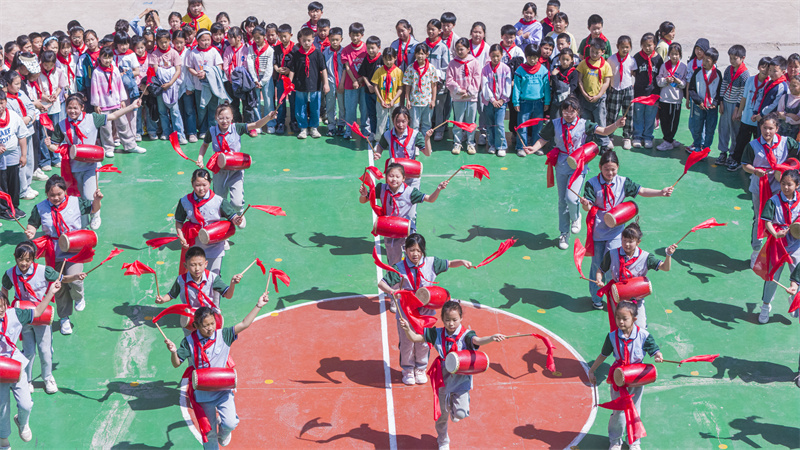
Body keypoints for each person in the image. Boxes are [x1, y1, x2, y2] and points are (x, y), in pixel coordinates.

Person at [164, 293, 269, 449]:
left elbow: (244, 324)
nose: (210, 328)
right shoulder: (189, 342)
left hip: (223, 389)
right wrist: (173, 351)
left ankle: (224, 433)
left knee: (230, 423)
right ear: (197, 325)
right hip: (203, 392)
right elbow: (176, 363)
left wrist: (259, 305)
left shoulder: (224, 335)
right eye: (206, 325)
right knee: (209, 432)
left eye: (212, 323)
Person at [398, 300, 505, 450]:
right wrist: (407, 329)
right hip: (443, 380)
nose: (451, 323)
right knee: (442, 416)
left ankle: (456, 411)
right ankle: (443, 440)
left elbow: (478, 340)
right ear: (443, 319)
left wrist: (492, 338)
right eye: (447, 320)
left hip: (461, 381)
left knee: (460, 414)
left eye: (455, 320)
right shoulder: (437, 333)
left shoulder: (467, 335)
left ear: (461, 318)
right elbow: (415, 338)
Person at [524, 95, 626, 249]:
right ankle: (564, 233)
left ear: (578, 111)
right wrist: (534, 148)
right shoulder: (555, 123)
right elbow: (543, 139)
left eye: (572, 111)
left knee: (571, 198)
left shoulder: (585, 124)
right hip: (562, 163)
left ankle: (576, 216)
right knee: (562, 201)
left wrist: (617, 124)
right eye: (565, 111)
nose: (568, 114)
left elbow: (604, 131)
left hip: (578, 164)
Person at [581, 151, 673, 309]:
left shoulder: (623, 182)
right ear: (600, 167)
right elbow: (587, 205)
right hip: (598, 230)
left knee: (613, 264)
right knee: (597, 265)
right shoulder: (592, 183)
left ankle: (614, 295)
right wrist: (585, 204)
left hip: (617, 230)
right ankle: (596, 297)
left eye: (613, 169)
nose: (610, 173)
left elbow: (642, 191)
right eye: (606, 169)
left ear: (618, 168)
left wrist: (661, 192)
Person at [378, 233, 473, 382]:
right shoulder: (399, 267)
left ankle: (421, 368)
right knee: (407, 342)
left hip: (426, 313)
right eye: (411, 250)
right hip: (407, 312)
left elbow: (449, 263)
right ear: (405, 250)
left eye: (418, 250)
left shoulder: (432, 263)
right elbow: (382, 283)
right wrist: (392, 291)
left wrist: (461, 261)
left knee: (424, 341)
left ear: (423, 250)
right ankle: (408, 370)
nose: (415, 254)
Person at [45, 93, 142, 230]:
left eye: (75, 108)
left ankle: (96, 214)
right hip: (73, 168)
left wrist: (132, 106)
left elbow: (113, 116)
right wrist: (49, 145)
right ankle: (83, 225)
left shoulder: (92, 118)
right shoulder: (61, 125)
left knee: (89, 195)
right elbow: (56, 146)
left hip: (91, 165)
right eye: (69, 108)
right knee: (78, 198)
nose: (72, 111)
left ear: (82, 108)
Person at [0, 241, 81, 393]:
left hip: (41, 314)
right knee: (28, 350)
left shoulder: (44, 271)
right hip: (23, 316)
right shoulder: (10, 273)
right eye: (20, 259)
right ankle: (28, 379)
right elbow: (5, 288)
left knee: (45, 350)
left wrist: (75, 276)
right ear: (15, 257)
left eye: (27, 260)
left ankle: (48, 377)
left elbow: (62, 279)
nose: (23, 263)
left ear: (34, 258)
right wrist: (7, 307)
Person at [24, 175, 97, 335]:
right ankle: (64, 318)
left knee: (75, 277)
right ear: (46, 194)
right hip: (54, 250)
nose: (56, 198)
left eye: (59, 194)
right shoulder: (40, 207)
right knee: (58, 285)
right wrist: (31, 231)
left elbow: (93, 208)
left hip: (74, 248)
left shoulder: (75, 202)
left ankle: (79, 296)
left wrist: (97, 200)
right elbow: (33, 223)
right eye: (52, 195)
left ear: (65, 191)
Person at [587, 301, 664, 450]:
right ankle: (615, 441)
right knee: (619, 411)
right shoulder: (612, 337)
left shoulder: (644, 335)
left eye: (624, 318)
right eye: (618, 318)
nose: (620, 322)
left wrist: (658, 355)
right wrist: (592, 370)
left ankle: (634, 442)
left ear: (634, 319)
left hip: (636, 378)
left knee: (635, 409)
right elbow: (603, 355)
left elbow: (654, 350)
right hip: (618, 378)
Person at [0, 278, 59, 448]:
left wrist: (50, 293)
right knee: (2, 408)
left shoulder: (15, 314)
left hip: (14, 364)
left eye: (3, 306)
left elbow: (38, 311)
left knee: (26, 404)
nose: (1, 310)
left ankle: (22, 421)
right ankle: (3, 441)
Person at [358, 163, 447, 265]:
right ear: (386, 177)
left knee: (413, 258)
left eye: (397, 176)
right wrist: (364, 194)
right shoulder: (381, 188)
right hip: (389, 229)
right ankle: (394, 280)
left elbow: (430, 199)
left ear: (403, 178)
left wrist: (438, 189)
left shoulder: (410, 192)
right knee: (393, 262)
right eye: (391, 176)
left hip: (405, 229)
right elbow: (363, 200)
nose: (394, 179)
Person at [197, 103, 276, 214]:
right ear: (216, 118)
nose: (224, 121)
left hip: (235, 171)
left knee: (237, 203)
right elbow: (205, 145)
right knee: (219, 201)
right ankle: (224, 220)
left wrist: (268, 117)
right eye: (221, 118)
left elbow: (256, 125)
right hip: (219, 171)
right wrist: (200, 158)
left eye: (227, 118)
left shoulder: (237, 128)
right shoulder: (212, 131)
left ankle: (238, 213)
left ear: (232, 117)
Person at [742, 113, 800, 264]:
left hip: (782, 186)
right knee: (760, 217)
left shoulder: (787, 142)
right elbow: (745, 165)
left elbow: (797, 154)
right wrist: (754, 170)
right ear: (760, 127)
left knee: (782, 218)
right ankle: (756, 250)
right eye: (764, 128)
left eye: (771, 128)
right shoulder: (753, 145)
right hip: (759, 186)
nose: (767, 132)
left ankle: (781, 249)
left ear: (777, 128)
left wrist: (789, 166)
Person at [595, 223, 675, 327]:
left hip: (636, 299)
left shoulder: (646, 257)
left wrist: (668, 255)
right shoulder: (612, 254)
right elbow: (600, 270)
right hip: (618, 297)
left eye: (630, 241)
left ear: (638, 242)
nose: (627, 244)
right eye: (624, 240)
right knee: (621, 328)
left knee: (640, 328)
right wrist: (599, 280)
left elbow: (665, 268)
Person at [174, 169, 244, 275]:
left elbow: (232, 216)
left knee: (213, 277)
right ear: (192, 183)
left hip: (214, 245)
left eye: (204, 185)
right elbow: (179, 221)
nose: (201, 188)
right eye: (198, 185)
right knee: (196, 276)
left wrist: (237, 220)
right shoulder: (184, 201)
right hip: (194, 245)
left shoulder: (219, 201)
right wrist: (182, 237)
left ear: (210, 183)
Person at [157, 246, 242, 330]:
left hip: (209, 316)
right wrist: (163, 299)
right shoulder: (181, 280)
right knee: (191, 341)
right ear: (185, 265)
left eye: (200, 264)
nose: (197, 269)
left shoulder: (213, 278)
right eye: (193, 265)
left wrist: (232, 284)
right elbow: (171, 294)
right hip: (190, 317)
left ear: (206, 264)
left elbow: (228, 295)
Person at [757, 169, 800, 323]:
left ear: (797, 185)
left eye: (789, 184)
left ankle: (795, 300)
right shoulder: (773, 201)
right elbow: (767, 221)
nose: (785, 187)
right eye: (783, 184)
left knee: (798, 274)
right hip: (778, 244)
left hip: (796, 244)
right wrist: (775, 234)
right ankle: (765, 305)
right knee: (772, 276)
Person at [91, 47, 145, 158]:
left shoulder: (115, 69)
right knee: (106, 128)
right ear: (100, 58)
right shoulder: (96, 72)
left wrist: (122, 99)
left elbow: (120, 85)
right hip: (104, 104)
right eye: (104, 57)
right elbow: (94, 88)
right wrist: (96, 104)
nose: (107, 60)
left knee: (123, 124)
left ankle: (130, 145)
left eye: (109, 57)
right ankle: (108, 148)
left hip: (116, 102)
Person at [373, 106, 433, 189]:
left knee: (411, 200)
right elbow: (380, 146)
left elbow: (427, 153)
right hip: (395, 177)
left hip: (411, 176)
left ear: (408, 120)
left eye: (403, 121)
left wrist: (427, 139)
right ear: (392, 119)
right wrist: (378, 153)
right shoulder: (387, 135)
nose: (400, 125)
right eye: (397, 121)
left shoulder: (415, 135)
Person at [729, 57, 772, 171]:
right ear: (758, 67)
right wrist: (739, 111)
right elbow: (744, 97)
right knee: (741, 141)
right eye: (763, 67)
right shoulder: (750, 80)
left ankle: (754, 166)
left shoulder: (769, 83)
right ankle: (737, 160)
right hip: (747, 118)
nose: (765, 70)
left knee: (758, 144)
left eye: (768, 69)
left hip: (759, 121)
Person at [289, 27, 328, 139]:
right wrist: (289, 85)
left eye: (309, 40)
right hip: (300, 87)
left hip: (315, 86)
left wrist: (326, 84)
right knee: (300, 108)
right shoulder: (297, 55)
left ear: (313, 40)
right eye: (304, 40)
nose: (306, 43)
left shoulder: (317, 54)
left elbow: (323, 69)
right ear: (300, 40)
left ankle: (314, 128)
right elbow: (292, 70)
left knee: (315, 107)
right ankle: (303, 128)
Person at [513, 43, 550, 157]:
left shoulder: (543, 70)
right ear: (526, 56)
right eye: (530, 57)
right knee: (522, 126)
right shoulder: (520, 70)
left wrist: (547, 101)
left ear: (538, 57)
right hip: (524, 103)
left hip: (539, 102)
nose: (533, 60)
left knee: (538, 126)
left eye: (535, 57)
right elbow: (517, 88)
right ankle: (521, 147)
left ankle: (536, 147)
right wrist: (516, 102)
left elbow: (546, 87)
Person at [446, 38, 481, 155]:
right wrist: (458, 90)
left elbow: (477, 78)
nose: (459, 52)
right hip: (458, 98)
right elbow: (449, 79)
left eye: (462, 49)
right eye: (457, 50)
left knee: (471, 121)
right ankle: (457, 143)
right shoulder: (452, 63)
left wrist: (469, 91)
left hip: (471, 98)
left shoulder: (474, 62)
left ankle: (471, 143)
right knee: (458, 121)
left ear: (468, 49)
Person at [149, 29, 185, 142]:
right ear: (157, 42)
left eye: (166, 42)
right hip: (161, 87)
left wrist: (170, 83)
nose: (164, 45)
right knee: (162, 112)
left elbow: (178, 70)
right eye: (161, 42)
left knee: (175, 112)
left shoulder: (174, 53)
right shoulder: (155, 55)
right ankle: (166, 132)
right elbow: (155, 70)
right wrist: (163, 83)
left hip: (172, 87)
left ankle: (180, 135)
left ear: (170, 41)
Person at [577, 38, 612, 150]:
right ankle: (587, 142)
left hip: (599, 99)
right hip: (585, 99)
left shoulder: (605, 65)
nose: (594, 54)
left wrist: (598, 95)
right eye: (592, 51)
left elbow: (607, 82)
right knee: (586, 122)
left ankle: (603, 143)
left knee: (600, 120)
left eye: (597, 52)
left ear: (602, 52)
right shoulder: (583, 64)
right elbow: (580, 80)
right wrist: (584, 93)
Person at [716, 45, 749, 164]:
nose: (732, 61)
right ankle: (723, 152)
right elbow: (724, 85)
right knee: (723, 129)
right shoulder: (728, 70)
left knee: (735, 131)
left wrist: (737, 109)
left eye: (735, 58)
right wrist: (721, 102)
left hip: (735, 105)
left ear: (743, 58)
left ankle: (733, 153)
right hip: (725, 102)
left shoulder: (744, 74)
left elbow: (742, 93)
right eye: (730, 58)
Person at [0, 89, 29, 222]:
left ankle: (14, 206)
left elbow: (21, 135)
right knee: (2, 183)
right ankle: (4, 209)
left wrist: (23, 155)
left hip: (12, 154)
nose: (0, 107)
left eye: (2, 103)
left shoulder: (13, 116)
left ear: (5, 102)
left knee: (14, 182)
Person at [631, 33, 663, 149]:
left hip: (653, 94)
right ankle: (637, 137)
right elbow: (633, 71)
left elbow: (660, 74)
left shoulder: (658, 59)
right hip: (639, 93)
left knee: (650, 117)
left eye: (650, 45)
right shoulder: (637, 57)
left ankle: (648, 137)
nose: (647, 48)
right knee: (638, 116)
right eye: (644, 45)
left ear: (655, 45)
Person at [687, 47, 722, 153]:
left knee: (710, 129)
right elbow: (692, 89)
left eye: (708, 61)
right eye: (704, 60)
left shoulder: (718, 75)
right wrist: (698, 101)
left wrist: (715, 103)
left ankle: (706, 148)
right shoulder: (697, 72)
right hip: (699, 106)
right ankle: (697, 146)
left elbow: (720, 91)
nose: (704, 63)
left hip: (712, 108)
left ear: (714, 62)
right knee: (697, 127)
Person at [481, 44, 512, 156]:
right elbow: (485, 86)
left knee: (499, 124)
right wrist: (492, 99)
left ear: (502, 55)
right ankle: (492, 144)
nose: (495, 58)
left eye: (498, 56)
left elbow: (508, 85)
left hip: (501, 102)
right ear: (489, 55)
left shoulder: (505, 69)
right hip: (489, 102)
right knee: (490, 124)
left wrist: (502, 99)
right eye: (493, 56)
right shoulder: (485, 69)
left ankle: (501, 146)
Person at [656, 43, 688, 151]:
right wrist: (666, 80)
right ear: (669, 54)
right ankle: (668, 140)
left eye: (676, 54)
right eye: (672, 54)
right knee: (664, 120)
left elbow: (684, 84)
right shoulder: (664, 66)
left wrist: (678, 81)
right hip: (664, 98)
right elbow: (659, 81)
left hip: (676, 100)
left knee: (674, 121)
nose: (674, 56)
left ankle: (669, 140)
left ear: (680, 55)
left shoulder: (683, 67)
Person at [607, 36, 636, 150]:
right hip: (614, 88)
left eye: (627, 47)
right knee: (612, 113)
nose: (624, 49)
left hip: (628, 89)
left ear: (630, 48)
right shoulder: (611, 59)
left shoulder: (632, 60)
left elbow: (633, 73)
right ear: (617, 47)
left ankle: (627, 137)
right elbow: (609, 73)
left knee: (628, 113)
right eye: (622, 47)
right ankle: (610, 136)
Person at [370, 48, 404, 143]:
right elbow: (375, 86)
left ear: (395, 58)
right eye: (386, 59)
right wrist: (381, 99)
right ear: (383, 59)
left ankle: (393, 139)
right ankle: (379, 141)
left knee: (395, 121)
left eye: (390, 59)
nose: (388, 62)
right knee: (381, 121)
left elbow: (400, 88)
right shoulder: (379, 71)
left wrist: (393, 100)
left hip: (394, 102)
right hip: (381, 101)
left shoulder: (398, 72)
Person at [425, 19, 451, 142]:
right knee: (427, 107)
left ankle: (439, 130)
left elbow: (446, 68)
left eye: (433, 29)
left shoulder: (443, 48)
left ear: (439, 31)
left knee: (439, 108)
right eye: (428, 29)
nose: (430, 31)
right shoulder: (423, 45)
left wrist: (438, 77)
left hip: (439, 85)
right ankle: (427, 128)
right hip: (424, 85)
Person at [402, 45, 437, 134]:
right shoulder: (411, 68)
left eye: (422, 54)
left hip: (427, 101)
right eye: (418, 53)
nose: (420, 56)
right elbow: (408, 85)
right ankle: (416, 144)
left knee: (427, 124)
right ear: (415, 54)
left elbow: (434, 85)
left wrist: (433, 100)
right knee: (414, 124)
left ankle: (425, 144)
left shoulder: (431, 68)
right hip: (414, 101)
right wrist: (408, 100)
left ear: (427, 55)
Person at [341, 23, 368, 139]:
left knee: (364, 108)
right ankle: (349, 130)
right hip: (350, 85)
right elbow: (347, 67)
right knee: (350, 109)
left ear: (362, 35)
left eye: (357, 35)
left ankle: (365, 128)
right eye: (353, 35)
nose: (355, 38)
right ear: (349, 35)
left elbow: (368, 66)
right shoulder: (346, 50)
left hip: (364, 85)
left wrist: (361, 79)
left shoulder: (367, 48)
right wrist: (354, 81)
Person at [357, 36, 382, 142]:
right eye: (368, 48)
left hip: (380, 93)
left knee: (381, 113)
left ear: (379, 48)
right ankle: (373, 132)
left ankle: (382, 133)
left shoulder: (382, 59)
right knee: (371, 113)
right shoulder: (366, 59)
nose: (371, 50)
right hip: (368, 92)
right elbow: (363, 75)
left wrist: (377, 87)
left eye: (373, 48)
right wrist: (368, 85)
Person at [273, 24, 296, 135]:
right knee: (281, 101)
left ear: (291, 35)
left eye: (285, 36)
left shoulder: (295, 48)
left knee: (293, 101)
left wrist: (289, 71)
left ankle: (293, 121)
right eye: (281, 36)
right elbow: (274, 63)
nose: (283, 39)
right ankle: (281, 122)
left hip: (292, 81)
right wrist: (277, 69)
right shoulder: (277, 48)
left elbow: (296, 64)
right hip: (281, 80)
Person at [322, 27, 344, 137]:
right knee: (330, 105)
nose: (334, 42)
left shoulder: (344, 52)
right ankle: (331, 126)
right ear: (329, 39)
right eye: (332, 39)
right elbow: (324, 69)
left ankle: (341, 125)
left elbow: (345, 68)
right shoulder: (325, 52)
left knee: (342, 105)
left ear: (341, 39)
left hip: (341, 82)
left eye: (337, 40)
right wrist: (326, 84)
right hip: (330, 82)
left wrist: (342, 83)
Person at [778, 75, 800, 139]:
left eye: (794, 86)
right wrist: (790, 115)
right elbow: (779, 113)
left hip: (795, 134)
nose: (791, 88)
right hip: (781, 131)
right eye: (790, 85)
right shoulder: (784, 97)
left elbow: (798, 120)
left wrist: (784, 117)